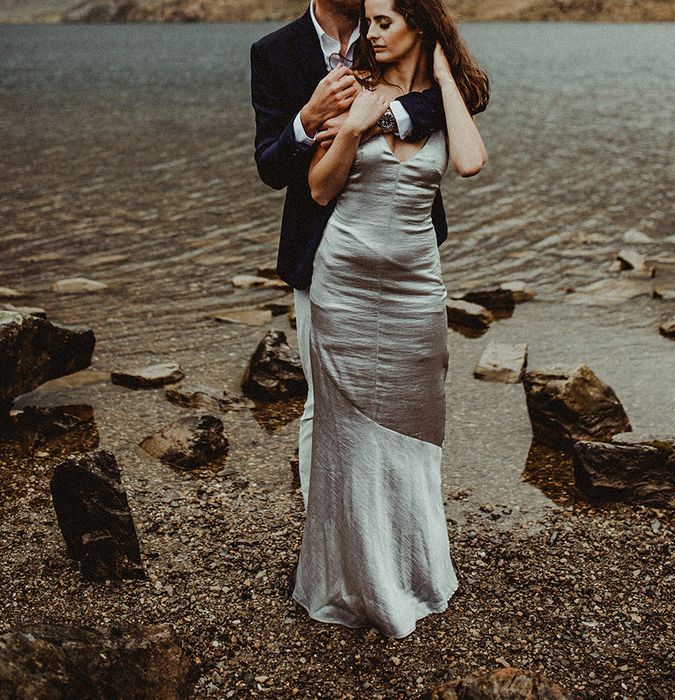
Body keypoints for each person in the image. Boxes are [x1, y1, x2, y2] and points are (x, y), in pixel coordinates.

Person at [291, 0, 489, 638]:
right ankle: (351, 582)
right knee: (346, 438)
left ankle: (415, 572)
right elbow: (321, 189)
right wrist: (353, 128)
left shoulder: (438, 101)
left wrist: (444, 76)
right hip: (343, 284)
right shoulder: (355, 89)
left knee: (414, 433)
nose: (368, 33)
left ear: (419, 27)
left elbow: (468, 161)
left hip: (415, 293)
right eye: (368, 23)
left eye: (383, 23)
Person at [250, 0, 451, 512]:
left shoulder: (392, 25)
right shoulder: (273, 53)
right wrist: (307, 119)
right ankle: (328, 545)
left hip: (402, 255)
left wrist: (379, 117)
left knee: (405, 400)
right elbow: (271, 168)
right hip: (320, 255)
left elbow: (460, 95)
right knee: (324, 402)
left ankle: (393, 529)